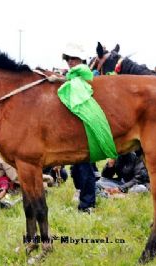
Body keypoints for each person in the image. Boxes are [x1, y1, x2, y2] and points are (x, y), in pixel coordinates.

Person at [61, 43, 98, 214]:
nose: (70, 62)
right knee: (76, 167)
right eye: (68, 59)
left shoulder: (83, 73)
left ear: (80, 59)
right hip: (74, 128)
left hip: (85, 126)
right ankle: (82, 194)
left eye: (73, 58)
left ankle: (88, 204)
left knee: (85, 167)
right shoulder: (72, 74)